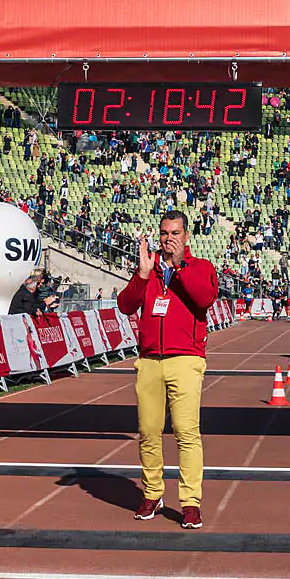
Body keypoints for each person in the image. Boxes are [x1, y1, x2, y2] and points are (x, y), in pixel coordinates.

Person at [115, 210, 216, 529]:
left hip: (185, 358)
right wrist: (142, 276)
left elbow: (204, 298)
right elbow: (126, 305)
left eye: (174, 233)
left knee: (186, 432)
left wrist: (180, 267)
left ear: (186, 237)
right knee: (148, 431)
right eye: (164, 234)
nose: (168, 239)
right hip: (148, 360)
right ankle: (152, 493)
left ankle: (190, 501)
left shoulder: (200, 267)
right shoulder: (150, 269)